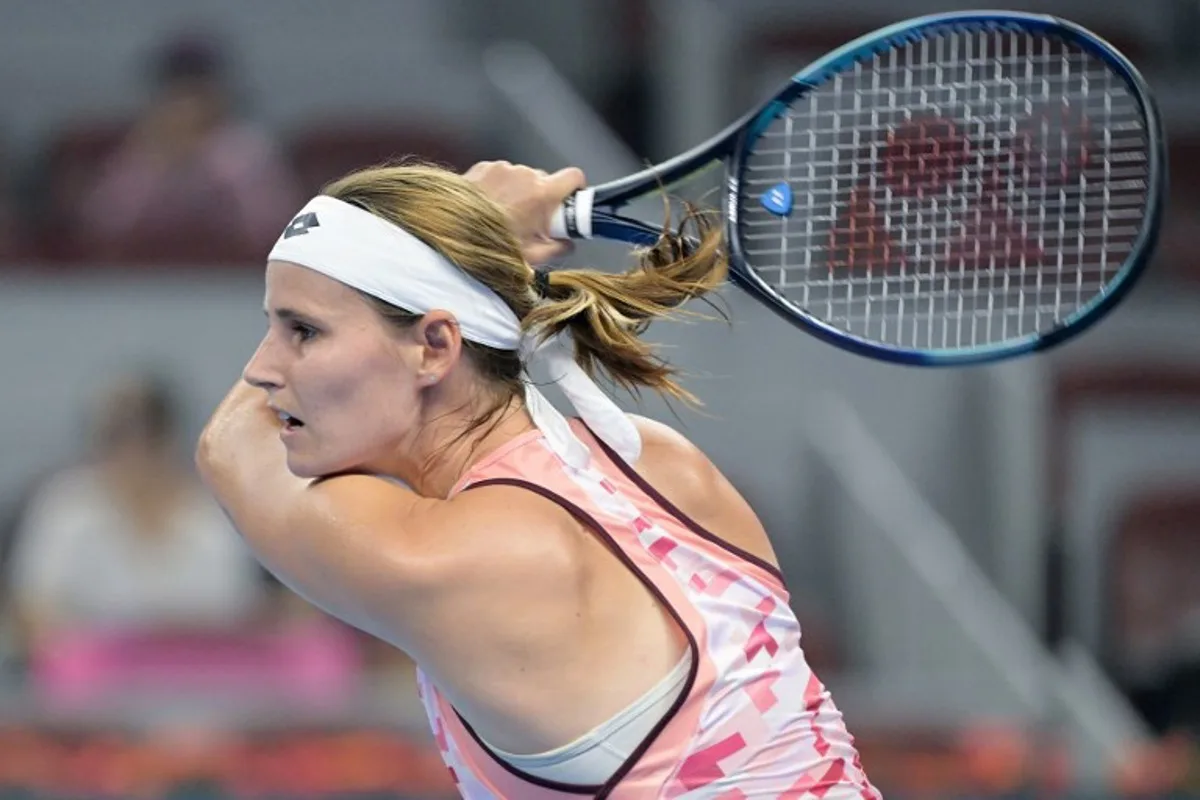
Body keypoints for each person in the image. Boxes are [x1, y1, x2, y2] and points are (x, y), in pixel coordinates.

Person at [195, 159, 880, 798]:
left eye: (304, 332)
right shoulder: (660, 463)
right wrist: (456, 239)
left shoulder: (460, 558)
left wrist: (467, 233)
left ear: (435, 346)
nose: (261, 368)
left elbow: (232, 448)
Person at [7, 371, 271, 653]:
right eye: (117, 438)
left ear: (169, 441)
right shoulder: (67, 508)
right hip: (94, 678)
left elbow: (255, 613)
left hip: (209, 671)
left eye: (146, 438)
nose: (133, 455)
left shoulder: (216, 510)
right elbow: (30, 612)